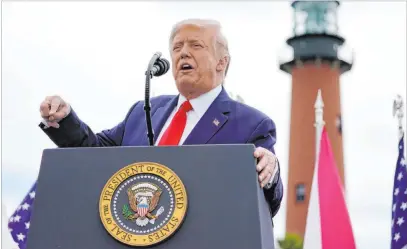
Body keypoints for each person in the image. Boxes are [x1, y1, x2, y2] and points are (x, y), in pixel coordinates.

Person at [38, 19, 283, 218]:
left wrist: (272, 173)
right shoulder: (143, 111)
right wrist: (65, 118)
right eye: (177, 48)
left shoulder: (252, 125)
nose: (183, 53)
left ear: (222, 62)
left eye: (196, 46)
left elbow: (267, 200)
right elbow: (94, 153)